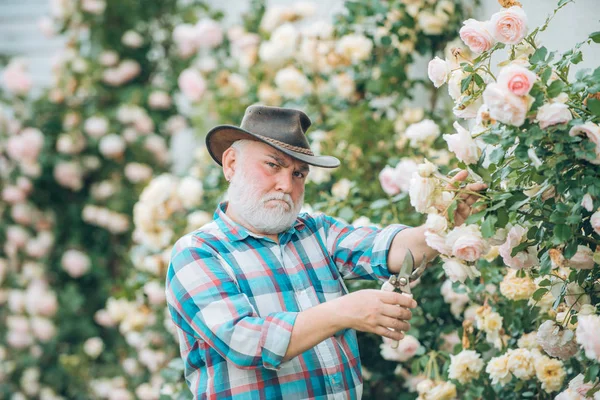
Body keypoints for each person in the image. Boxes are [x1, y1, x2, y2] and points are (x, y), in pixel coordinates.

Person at [165, 105, 484, 399]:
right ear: (231, 164)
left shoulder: (314, 230)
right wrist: (345, 311)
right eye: (272, 165)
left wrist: (444, 220)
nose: (286, 185)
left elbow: (385, 249)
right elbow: (246, 343)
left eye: (298, 173)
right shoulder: (197, 253)